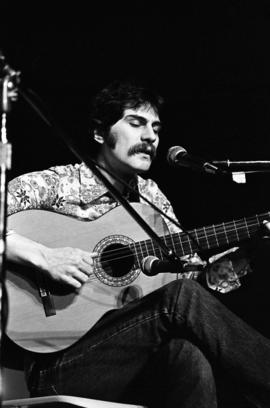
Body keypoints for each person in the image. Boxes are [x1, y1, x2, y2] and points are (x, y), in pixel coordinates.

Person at [5, 79, 270, 408]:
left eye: (156, 129)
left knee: (188, 354)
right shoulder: (59, 184)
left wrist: (231, 262)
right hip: (59, 364)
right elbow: (180, 300)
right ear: (100, 133)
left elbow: (189, 285)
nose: (150, 137)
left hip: (133, 364)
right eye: (136, 123)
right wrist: (44, 257)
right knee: (179, 299)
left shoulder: (152, 198)